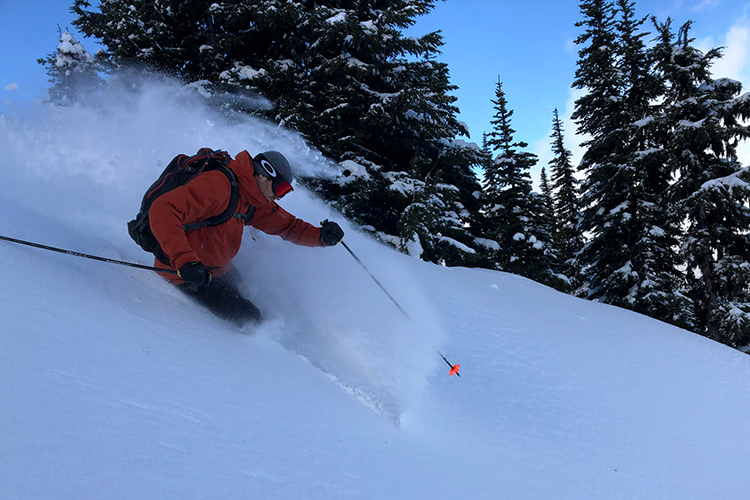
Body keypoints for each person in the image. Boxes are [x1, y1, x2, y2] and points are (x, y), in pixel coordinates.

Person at [148, 149, 344, 326]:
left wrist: (321, 237)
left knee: (250, 292)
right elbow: (163, 209)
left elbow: (288, 226)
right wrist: (185, 261)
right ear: (263, 175)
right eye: (280, 189)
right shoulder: (218, 186)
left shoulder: (252, 200)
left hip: (216, 269)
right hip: (185, 273)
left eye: (285, 192)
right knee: (251, 319)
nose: (279, 197)